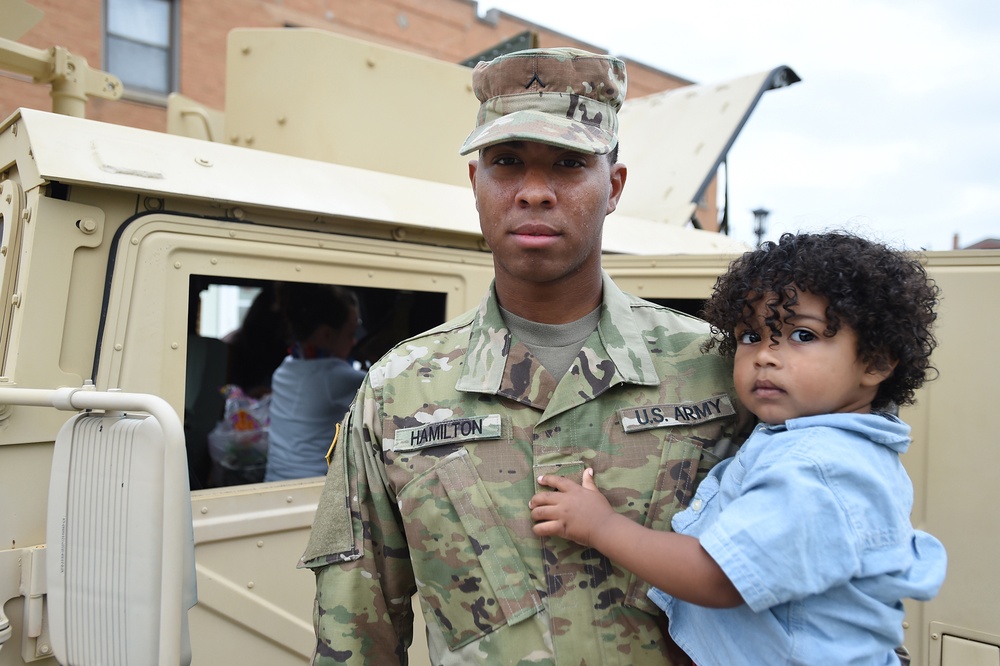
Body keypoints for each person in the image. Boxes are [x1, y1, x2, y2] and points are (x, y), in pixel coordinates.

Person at [300, 47, 751, 665]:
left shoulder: (718, 370)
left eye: (568, 164)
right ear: (476, 184)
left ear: (614, 186)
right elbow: (358, 626)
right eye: (507, 163)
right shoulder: (398, 392)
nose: (535, 192)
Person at [530, 232, 948, 665]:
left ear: (877, 361)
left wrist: (601, 527)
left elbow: (718, 577)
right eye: (751, 335)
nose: (765, 355)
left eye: (802, 335)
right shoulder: (810, 442)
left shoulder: (817, 465)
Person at [264, 282, 367, 482]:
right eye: (350, 334)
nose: (354, 342)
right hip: (311, 489)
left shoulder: (285, 368)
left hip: (273, 482)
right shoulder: (336, 377)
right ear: (326, 334)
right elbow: (392, 389)